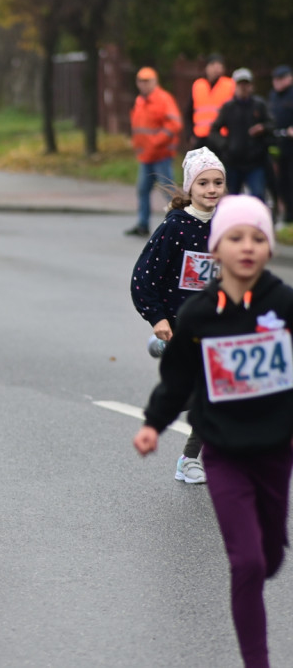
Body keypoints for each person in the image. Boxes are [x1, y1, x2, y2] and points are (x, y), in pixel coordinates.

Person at [133, 195, 293, 668]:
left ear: (269, 247)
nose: (247, 247)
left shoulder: (284, 304)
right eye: (235, 238)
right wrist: (153, 426)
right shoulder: (199, 314)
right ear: (216, 249)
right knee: (246, 564)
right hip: (222, 451)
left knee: (269, 557)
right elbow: (178, 378)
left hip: (275, 451)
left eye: (258, 238)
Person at [130, 147, 227, 484]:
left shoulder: (227, 226)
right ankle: (164, 345)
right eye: (203, 183)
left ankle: (190, 459)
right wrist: (157, 318)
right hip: (179, 322)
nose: (212, 189)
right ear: (190, 188)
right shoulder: (176, 228)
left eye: (218, 182)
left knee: (216, 391)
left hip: (216, 324)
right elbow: (144, 278)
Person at [126, 67, 182, 237]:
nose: (143, 84)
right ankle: (143, 224)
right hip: (146, 156)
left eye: (147, 81)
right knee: (143, 190)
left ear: (155, 82)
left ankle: (179, 224)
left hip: (161, 155)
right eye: (140, 81)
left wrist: (157, 142)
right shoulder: (140, 101)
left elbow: (174, 124)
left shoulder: (163, 99)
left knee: (169, 192)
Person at [210, 68, 274, 204]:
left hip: (255, 162)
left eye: (246, 84)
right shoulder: (228, 107)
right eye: (240, 84)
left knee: (258, 196)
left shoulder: (259, 105)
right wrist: (225, 145)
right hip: (234, 162)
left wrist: (263, 128)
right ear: (235, 86)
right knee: (230, 199)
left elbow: (272, 125)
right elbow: (214, 130)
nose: (244, 88)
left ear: (251, 86)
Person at [185, 54, 235, 150]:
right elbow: (188, 113)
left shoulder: (230, 85)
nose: (216, 68)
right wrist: (190, 134)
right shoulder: (198, 85)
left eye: (219, 65)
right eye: (213, 64)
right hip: (200, 138)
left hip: (221, 138)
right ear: (206, 67)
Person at [268, 65, 293, 226]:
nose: (277, 82)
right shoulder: (273, 96)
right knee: (279, 181)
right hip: (278, 144)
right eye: (275, 79)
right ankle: (286, 214)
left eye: (281, 78)